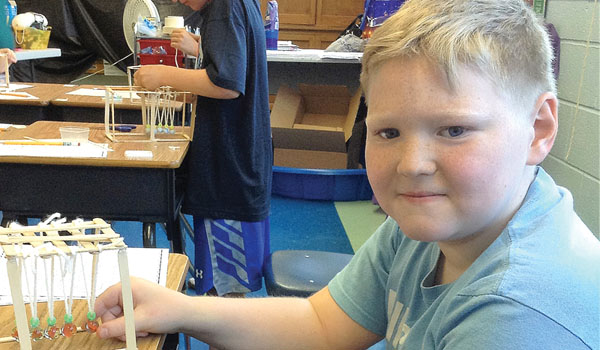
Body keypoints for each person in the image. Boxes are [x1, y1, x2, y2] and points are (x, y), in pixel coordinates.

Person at [96, 0, 600, 349]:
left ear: (537, 129)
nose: (412, 165)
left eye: (453, 130)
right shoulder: (436, 225)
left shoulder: (519, 315)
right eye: (387, 133)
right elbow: (321, 323)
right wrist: (179, 309)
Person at [133, 0, 272, 298]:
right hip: (237, 163)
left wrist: (162, 76)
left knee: (226, 297)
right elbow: (233, 79)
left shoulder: (226, 7)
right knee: (221, 292)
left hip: (230, 169)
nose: (179, 1)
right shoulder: (231, 6)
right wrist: (187, 95)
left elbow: (227, 84)